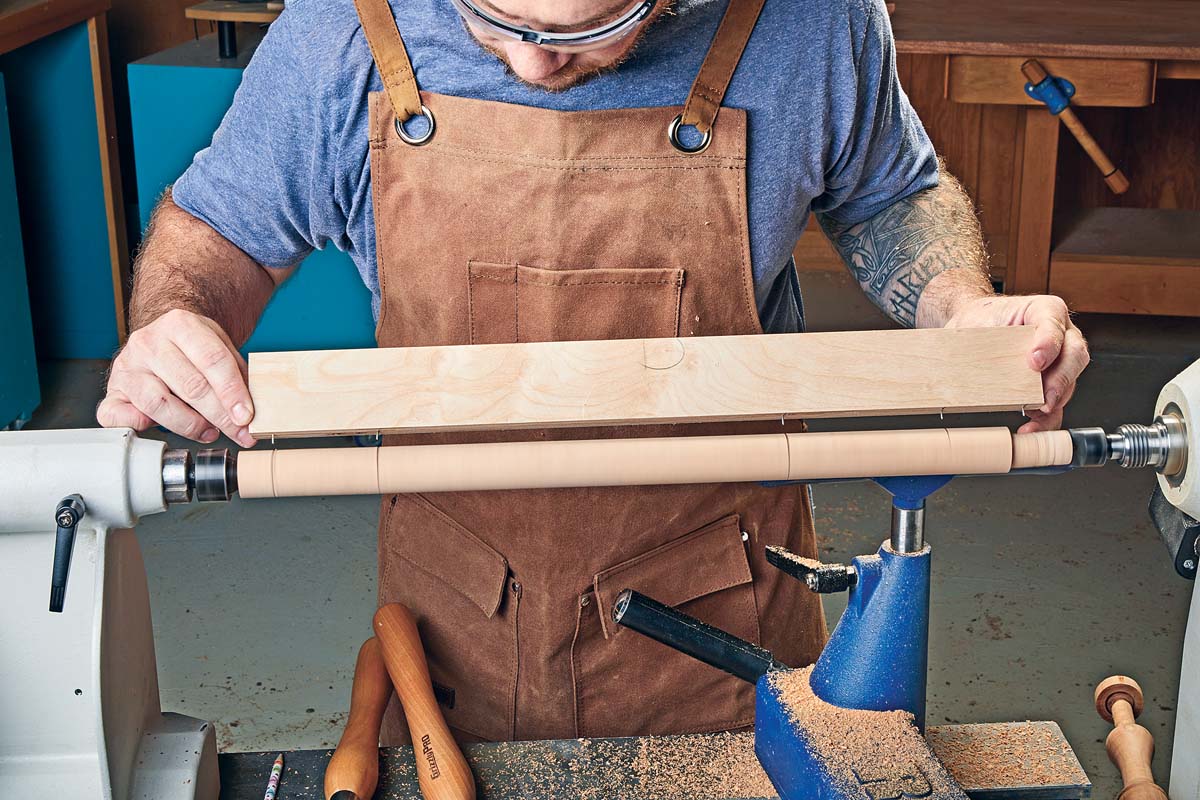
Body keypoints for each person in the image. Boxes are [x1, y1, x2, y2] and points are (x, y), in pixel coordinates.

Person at [98, 0, 1090, 742]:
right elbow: (218, 230)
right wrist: (177, 316)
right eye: (492, 22)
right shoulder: (342, 30)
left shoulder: (813, 21)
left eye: (587, 33)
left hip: (725, 616)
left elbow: (891, 193)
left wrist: (963, 305)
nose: (534, 62)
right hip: (454, 622)